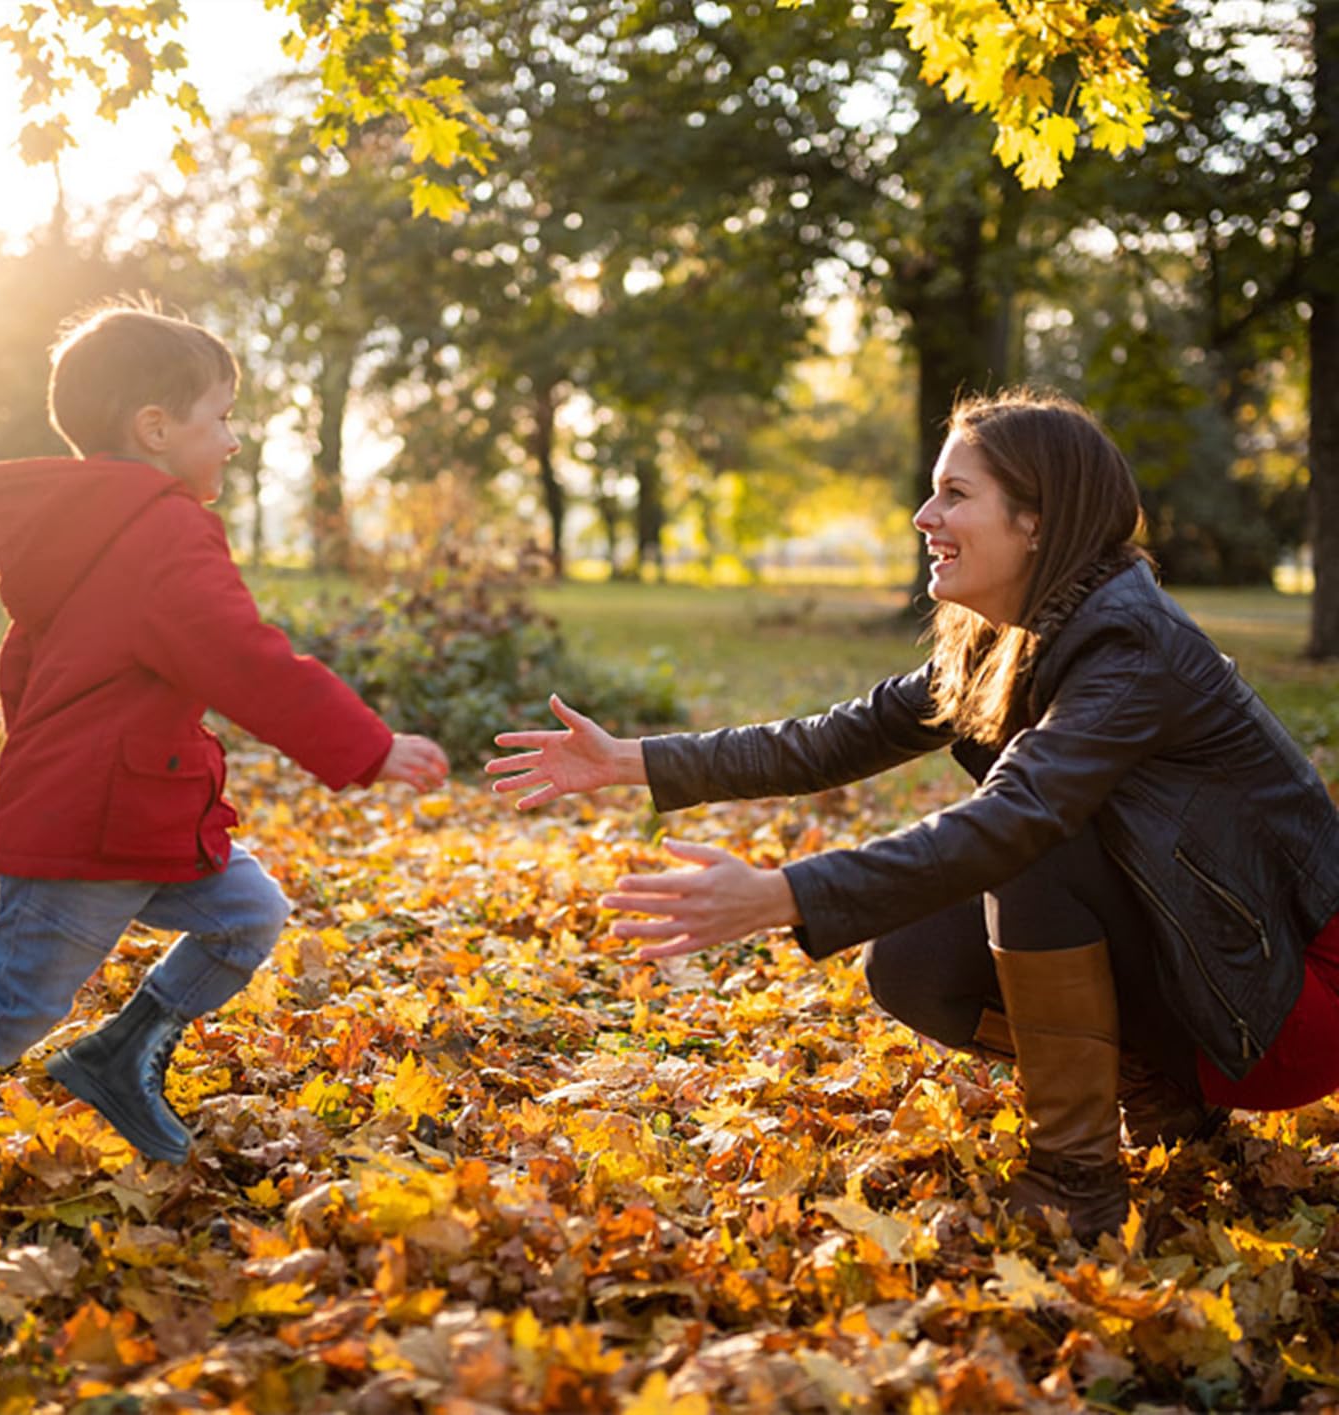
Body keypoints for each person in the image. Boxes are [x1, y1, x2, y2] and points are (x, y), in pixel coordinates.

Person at [487, 388, 1339, 1243]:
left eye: (956, 494)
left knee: (1027, 846)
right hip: (1214, 968)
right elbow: (831, 740)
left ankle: (1075, 1181)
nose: (924, 514)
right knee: (914, 964)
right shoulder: (1006, 634)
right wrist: (627, 761)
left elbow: (1014, 819)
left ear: (1037, 522)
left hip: (1290, 994)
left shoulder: (1128, 645)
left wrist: (781, 893)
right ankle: (1162, 1091)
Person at [0, 301, 449, 1256]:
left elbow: (26, 671)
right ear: (155, 430)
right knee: (11, 1009)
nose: (235, 440)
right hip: (94, 825)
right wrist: (368, 746)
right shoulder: (158, 534)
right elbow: (242, 658)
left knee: (248, 911)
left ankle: (120, 1057)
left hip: (143, 807)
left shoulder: (83, 533)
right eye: (220, 418)